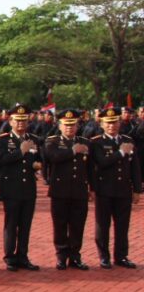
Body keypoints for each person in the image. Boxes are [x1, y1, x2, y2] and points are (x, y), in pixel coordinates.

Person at [91, 107, 141, 269]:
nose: (112, 126)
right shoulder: (97, 142)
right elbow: (101, 162)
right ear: (102, 124)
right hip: (104, 189)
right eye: (108, 123)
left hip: (123, 189)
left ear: (119, 123)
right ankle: (104, 256)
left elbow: (135, 167)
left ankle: (121, 256)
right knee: (102, 225)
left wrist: (137, 189)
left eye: (114, 122)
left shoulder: (128, 140)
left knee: (122, 225)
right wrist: (120, 153)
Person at [0, 104, 42, 271]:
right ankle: (9, 257)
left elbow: (40, 159)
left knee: (25, 224)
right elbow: (0, 160)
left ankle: (23, 255)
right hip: (11, 187)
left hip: (28, 187)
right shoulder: (3, 139)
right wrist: (20, 152)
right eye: (17, 120)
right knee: (11, 223)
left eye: (24, 120)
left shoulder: (33, 139)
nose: (21, 123)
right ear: (10, 121)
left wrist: (38, 165)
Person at [43, 109, 92, 270]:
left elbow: (91, 168)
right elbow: (53, 157)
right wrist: (72, 151)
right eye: (66, 125)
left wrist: (91, 187)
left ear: (78, 125)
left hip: (79, 190)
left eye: (73, 125)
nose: (69, 128)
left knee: (78, 225)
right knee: (60, 224)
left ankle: (75, 256)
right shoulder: (53, 141)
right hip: (60, 190)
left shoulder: (85, 142)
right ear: (60, 126)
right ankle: (61, 255)